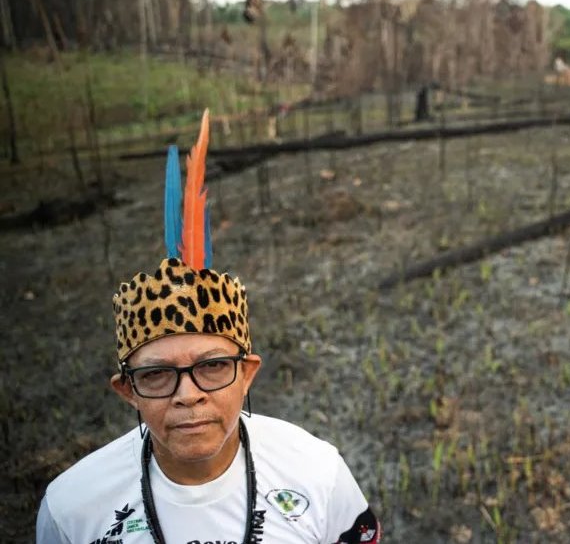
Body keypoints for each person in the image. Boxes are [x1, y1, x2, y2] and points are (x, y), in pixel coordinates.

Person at [35, 112, 380, 544]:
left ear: (248, 371)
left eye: (213, 366)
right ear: (128, 390)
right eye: (157, 374)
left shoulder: (317, 473)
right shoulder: (72, 509)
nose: (188, 394)